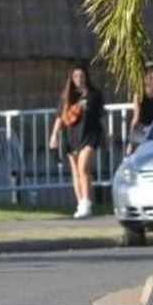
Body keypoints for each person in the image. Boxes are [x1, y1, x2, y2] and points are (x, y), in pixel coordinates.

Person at [49, 62, 105, 219]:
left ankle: (87, 202)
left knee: (83, 168)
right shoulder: (67, 96)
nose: (79, 79)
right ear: (71, 78)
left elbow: (101, 117)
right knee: (75, 171)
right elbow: (60, 117)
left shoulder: (94, 95)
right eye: (75, 76)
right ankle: (80, 202)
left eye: (81, 76)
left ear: (86, 77)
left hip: (90, 134)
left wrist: (106, 135)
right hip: (72, 136)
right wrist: (54, 135)